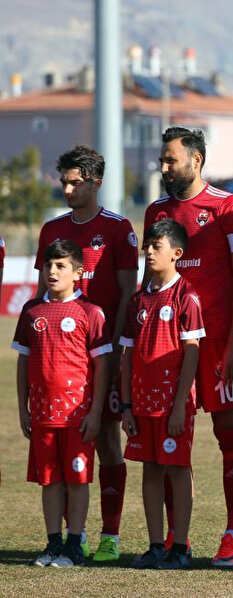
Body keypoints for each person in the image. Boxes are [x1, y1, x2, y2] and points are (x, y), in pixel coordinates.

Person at [144, 127, 233, 566]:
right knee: (171, 441)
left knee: (232, 438)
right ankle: (177, 538)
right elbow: (150, 279)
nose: (164, 167)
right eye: (162, 160)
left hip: (219, 346)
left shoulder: (227, 207)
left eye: (171, 159)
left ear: (197, 160)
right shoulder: (156, 210)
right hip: (169, 350)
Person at [33, 146, 138, 561]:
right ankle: (65, 536)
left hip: (103, 356)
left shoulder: (117, 229)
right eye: (64, 181)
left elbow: (128, 293)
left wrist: (112, 354)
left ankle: (109, 535)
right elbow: (44, 296)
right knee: (63, 446)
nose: (68, 189)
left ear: (96, 182)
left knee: (108, 440)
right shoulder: (51, 230)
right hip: (61, 361)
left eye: (76, 182)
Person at [13, 240, 111, 567]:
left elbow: (102, 366)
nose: (52, 272)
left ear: (78, 273)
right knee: (50, 480)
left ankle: (74, 544)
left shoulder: (90, 312)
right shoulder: (31, 311)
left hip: (77, 416)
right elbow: (23, 362)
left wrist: (96, 412)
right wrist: (22, 408)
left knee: (77, 479)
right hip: (42, 415)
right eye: (48, 266)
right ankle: (53, 542)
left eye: (60, 266)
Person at [120, 219, 204, 570]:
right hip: (141, 403)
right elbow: (126, 355)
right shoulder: (138, 300)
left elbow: (192, 352)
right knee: (151, 469)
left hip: (174, 406)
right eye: (147, 246)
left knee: (177, 468)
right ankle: (156, 545)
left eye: (157, 246)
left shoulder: (187, 296)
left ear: (177, 254)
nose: (149, 251)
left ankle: (180, 545)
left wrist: (181, 404)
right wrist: (126, 404)